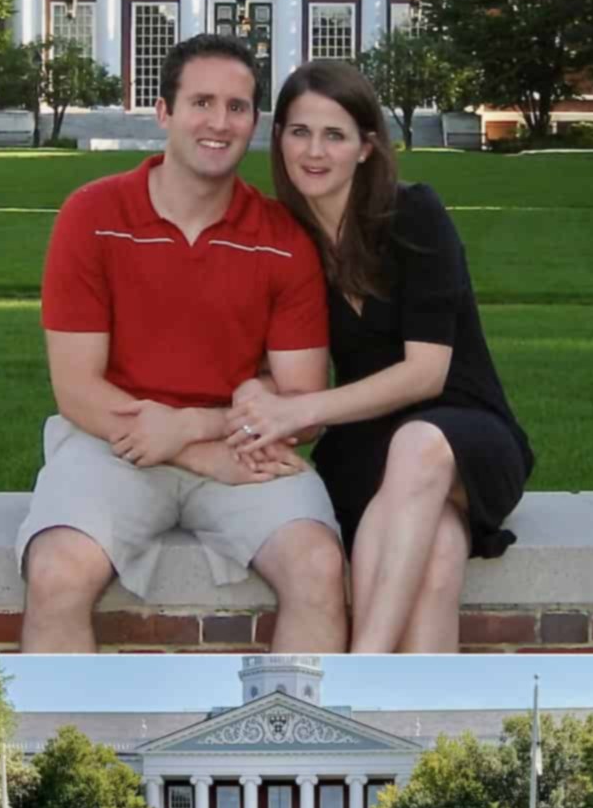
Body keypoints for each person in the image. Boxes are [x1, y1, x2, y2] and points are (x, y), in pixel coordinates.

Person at [18, 33, 346, 654]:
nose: (219, 123)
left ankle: (293, 751)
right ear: (164, 112)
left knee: (318, 568)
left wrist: (194, 427)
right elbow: (77, 390)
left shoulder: (284, 238)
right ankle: (68, 750)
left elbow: (303, 402)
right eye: (202, 102)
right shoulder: (93, 215)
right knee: (57, 572)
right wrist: (194, 454)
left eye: (238, 107)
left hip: (244, 445)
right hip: (109, 443)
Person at [226, 60, 534, 653]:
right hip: (364, 445)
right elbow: (265, 355)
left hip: (462, 430)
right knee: (441, 552)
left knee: (417, 447)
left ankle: (361, 667)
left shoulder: (413, 213)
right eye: (299, 132)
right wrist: (260, 392)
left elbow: (427, 372)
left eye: (334, 135)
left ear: (366, 147)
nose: (314, 152)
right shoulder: (285, 236)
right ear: (280, 137)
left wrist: (298, 412)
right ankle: (410, 721)